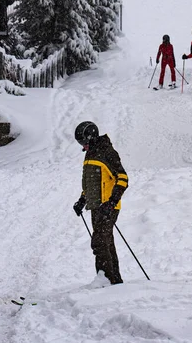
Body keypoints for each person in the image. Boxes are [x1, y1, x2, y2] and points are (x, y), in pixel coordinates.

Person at [73, 121, 128, 285]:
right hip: (96, 207)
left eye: (83, 142)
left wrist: (111, 202)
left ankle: (105, 280)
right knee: (106, 243)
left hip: (107, 207)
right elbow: (91, 183)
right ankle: (115, 281)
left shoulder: (107, 152)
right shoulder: (90, 154)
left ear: (91, 137)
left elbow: (123, 178)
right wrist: (82, 200)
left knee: (99, 242)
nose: (82, 146)